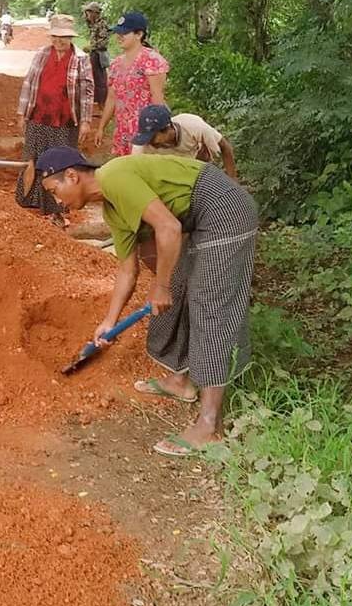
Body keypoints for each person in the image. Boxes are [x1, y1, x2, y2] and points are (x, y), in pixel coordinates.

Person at [38, 146, 257, 457]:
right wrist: (109, 322)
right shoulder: (112, 209)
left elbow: (169, 227)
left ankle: (210, 426)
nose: (57, 201)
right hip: (198, 218)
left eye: (54, 190)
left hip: (224, 208)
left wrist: (162, 285)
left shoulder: (115, 176)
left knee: (210, 303)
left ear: (72, 176)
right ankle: (180, 381)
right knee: (179, 288)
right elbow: (128, 270)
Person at [14, 14, 94, 214]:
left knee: (60, 162)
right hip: (38, 116)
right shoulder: (41, 54)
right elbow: (29, 83)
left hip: (65, 120)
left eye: (63, 37)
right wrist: (22, 113)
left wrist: (85, 120)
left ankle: (56, 206)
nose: (59, 41)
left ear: (71, 38)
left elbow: (87, 91)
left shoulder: (81, 59)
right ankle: (26, 203)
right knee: (32, 159)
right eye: (55, 36)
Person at [93, 11, 169, 157]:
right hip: (122, 130)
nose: (119, 37)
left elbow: (157, 98)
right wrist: (101, 127)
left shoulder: (152, 61)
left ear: (139, 34)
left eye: (124, 33)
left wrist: (157, 131)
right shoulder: (116, 64)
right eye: (118, 33)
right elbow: (112, 98)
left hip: (145, 130)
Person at [131, 104, 238, 178]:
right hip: (168, 175)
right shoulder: (141, 147)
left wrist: (233, 179)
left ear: (167, 128)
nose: (148, 142)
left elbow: (225, 147)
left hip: (197, 166)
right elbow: (135, 173)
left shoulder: (194, 126)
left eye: (152, 137)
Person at [82, 2, 110, 108]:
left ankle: (103, 103)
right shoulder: (93, 24)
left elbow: (103, 42)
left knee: (100, 79)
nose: (87, 15)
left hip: (99, 54)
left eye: (89, 12)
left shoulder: (102, 24)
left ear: (95, 13)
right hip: (94, 53)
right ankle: (97, 101)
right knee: (93, 77)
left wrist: (91, 47)